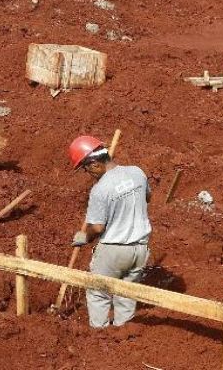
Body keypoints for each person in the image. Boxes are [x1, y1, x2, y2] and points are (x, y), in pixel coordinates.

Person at [67, 135, 151, 329]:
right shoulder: (137, 172)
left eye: (86, 169)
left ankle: (99, 336)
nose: (88, 173)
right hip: (140, 250)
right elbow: (147, 197)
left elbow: (97, 227)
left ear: (95, 163)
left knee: (98, 292)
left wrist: (84, 237)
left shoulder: (100, 190)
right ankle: (123, 333)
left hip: (114, 250)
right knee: (126, 292)